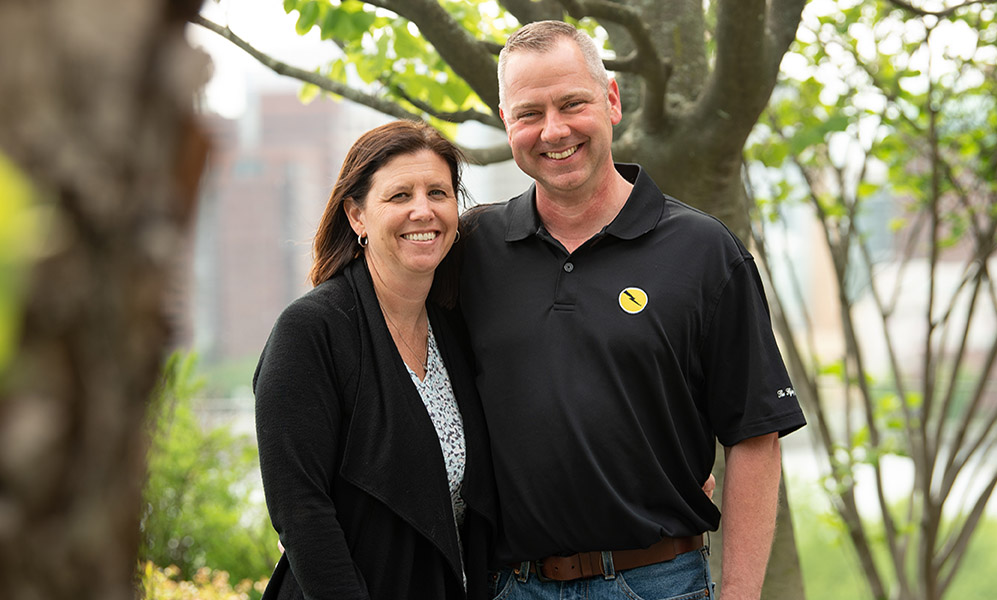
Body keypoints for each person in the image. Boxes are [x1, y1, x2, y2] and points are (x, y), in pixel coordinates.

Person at [459, 21, 806, 599]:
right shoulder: (472, 251)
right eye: (529, 113)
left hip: (658, 583)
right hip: (511, 586)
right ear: (506, 123)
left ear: (612, 101)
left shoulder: (703, 251)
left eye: (573, 103)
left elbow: (755, 436)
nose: (554, 130)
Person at [253, 120, 496, 600]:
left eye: (438, 193)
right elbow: (301, 512)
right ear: (357, 216)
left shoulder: (454, 328)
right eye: (399, 196)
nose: (423, 210)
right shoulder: (310, 332)